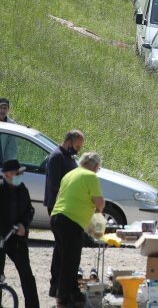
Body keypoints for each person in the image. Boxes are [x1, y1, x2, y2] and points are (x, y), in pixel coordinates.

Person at [50, 152, 105, 307]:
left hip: (56, 216)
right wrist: (97, 210)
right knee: (71, 260)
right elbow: (100, 203)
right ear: (95, 166)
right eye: (98, 168)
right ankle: (64, 298)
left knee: (62, 257)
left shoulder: (70, 174)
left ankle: (65, 290)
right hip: (71, 220)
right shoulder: (90, 176)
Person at [44, 130, 84, 299]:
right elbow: (55, 185)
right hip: (58, 207)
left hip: (67, 207)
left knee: (61, 250)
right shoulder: (56, 157)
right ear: (68, 141)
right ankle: (60, 287)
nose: (78, 150)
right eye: (77, 146)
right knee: (64, 250)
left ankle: (57, 285)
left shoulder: (69, 157)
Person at [0, 159, 39, 308]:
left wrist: (24, 225)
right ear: (8, 174)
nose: (19, 175)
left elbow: (29, 210)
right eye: (17, 173)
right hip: (2, 239)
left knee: (27, 276)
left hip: (17, 240)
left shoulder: (22, 188)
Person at [0, 98, 18, 164]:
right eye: (0, 108)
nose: (2, 110)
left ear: (8, 109)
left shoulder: (12, 125)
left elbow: (12, 149)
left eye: (5, 108)